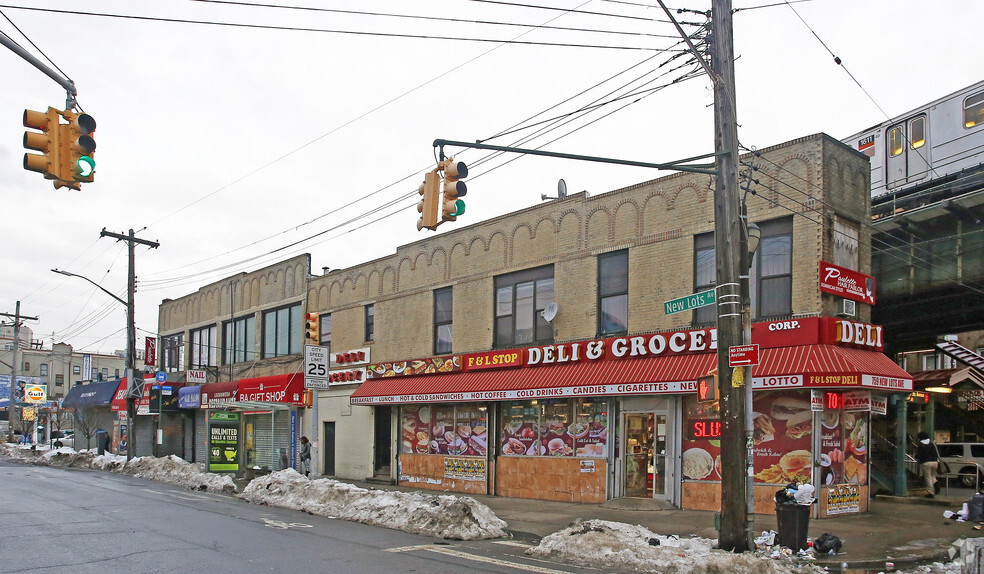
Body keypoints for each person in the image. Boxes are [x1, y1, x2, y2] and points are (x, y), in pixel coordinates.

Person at [916, 431, 940, 498]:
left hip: (926, 462)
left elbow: (918, 455)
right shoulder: (932, 444)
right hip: (935, 462)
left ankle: (930, 492)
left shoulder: (921, 444)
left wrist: (916, 457)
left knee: (928, 477)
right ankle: (936, 484)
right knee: (932, 475)